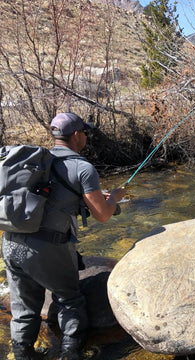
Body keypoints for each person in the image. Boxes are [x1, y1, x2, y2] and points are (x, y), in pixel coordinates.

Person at [1, 112, 127, 360]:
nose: (86, 137)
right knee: (70, 299)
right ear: (77, 135)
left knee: (24, 307)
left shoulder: (35, 162)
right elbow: (102, 215)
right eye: (85, 133)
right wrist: (114, 197)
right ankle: (70, 353)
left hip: (10, 240)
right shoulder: (83, 167)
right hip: (47, 248)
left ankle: (23, 354)